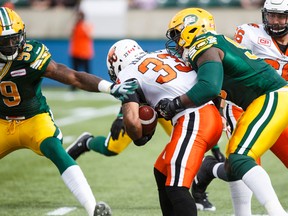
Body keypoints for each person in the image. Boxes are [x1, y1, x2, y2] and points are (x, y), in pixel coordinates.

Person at [0, 7, 138, 216]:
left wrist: (109, 87)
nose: (12, 45)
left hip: (33, 119)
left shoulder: (31, 55)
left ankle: (93, 209)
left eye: (14, 38)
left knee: (57, 151)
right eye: (5, 41)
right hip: (2, 122)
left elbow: (72, 76)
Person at [157, 6, 288, 216]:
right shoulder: (214, 41)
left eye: (176, 34)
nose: (175, 41)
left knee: (240, 157)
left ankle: (277, 213)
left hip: (270, 97)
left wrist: (175, 104)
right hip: (271, 99)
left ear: (191, 29)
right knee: (237, 161)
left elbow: (209, 87)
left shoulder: (203, 44)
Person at [100, 38, 223, 216]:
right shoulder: (164, 54)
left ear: (117, 63)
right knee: (162, 171)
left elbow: (133, 122)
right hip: (208, 113)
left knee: (176, 187)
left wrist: (139, 136)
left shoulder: (126, 74)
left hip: (194, 119)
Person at [69, 10, 94, 91]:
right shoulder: (75, 26)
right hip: (75, 51)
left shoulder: (86, 25)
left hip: (85, 52)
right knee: (74, 71)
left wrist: (83, 26)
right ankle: (73, 88)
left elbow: (90, 35)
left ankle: (90, 87)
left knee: (87, 71)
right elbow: (71, 35)